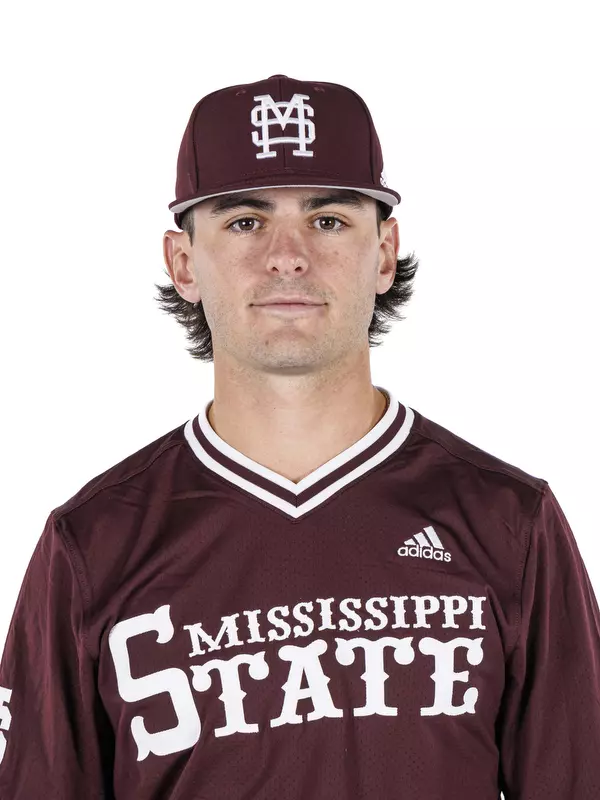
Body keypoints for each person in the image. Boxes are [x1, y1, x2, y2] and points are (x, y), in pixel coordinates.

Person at [1, 73, 599, 800]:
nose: (288, 256)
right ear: (183, 262)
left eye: (328, 220)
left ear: (384, 253)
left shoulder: (510, 523)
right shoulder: (92, 544)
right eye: (245, 222)